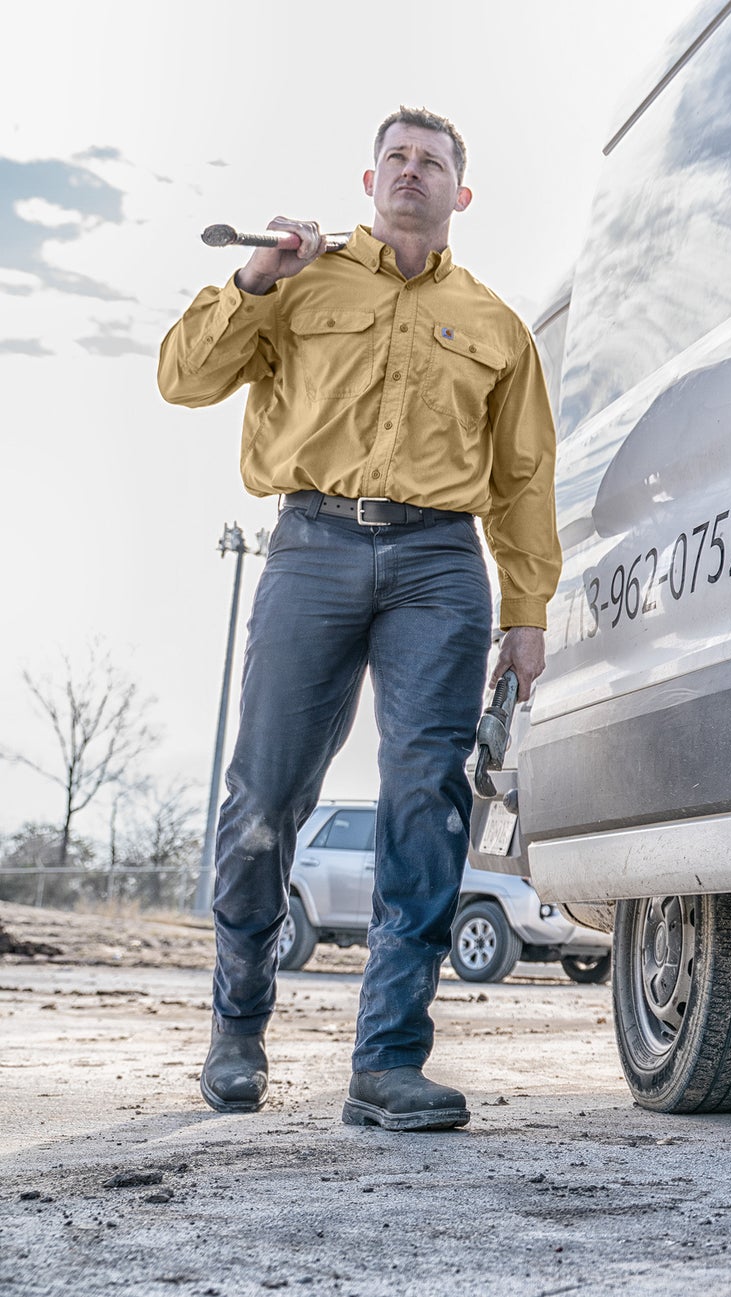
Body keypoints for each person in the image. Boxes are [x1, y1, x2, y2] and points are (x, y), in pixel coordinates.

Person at [158, 107, 561, 1130]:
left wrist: (526, 609)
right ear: (370, 178)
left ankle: (386, 1059)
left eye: (433, 163)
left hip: (438, 562)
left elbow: (520, 480)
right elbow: (184, 379)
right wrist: (254, 282)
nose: (412, 173)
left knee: (425, 797)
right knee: (262, 795)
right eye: (397, 158)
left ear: (459, 194)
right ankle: (238, 1028)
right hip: (311, 546)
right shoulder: (299, 276)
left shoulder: (496, 326)